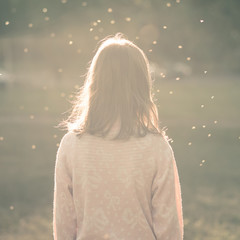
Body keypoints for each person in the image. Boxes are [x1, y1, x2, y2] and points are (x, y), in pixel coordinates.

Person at [53, 32, 184, 240]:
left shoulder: (71, 145)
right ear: (142, 85)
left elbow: (64, 222)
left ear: (95, 82)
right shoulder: (157, 147)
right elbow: (168, 227)